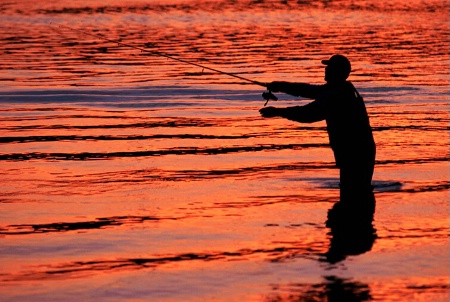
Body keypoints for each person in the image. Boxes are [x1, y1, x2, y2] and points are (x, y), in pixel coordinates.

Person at [259, 54, 376, 204]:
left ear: (338, 72)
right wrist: (280, 86)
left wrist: (278, 112)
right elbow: (306, 90)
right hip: (357, 151)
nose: (326, 70)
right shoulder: (340, 89)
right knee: (354, 196)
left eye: (330, 67)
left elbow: (308, 114)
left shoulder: (338, 95)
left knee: (353, 197)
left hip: (356, 154)